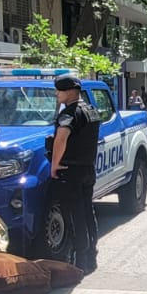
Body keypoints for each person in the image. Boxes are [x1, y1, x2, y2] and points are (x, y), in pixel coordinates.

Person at [50, 75, 101, 273]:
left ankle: (80, 261)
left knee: (74, 216)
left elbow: (61, 138)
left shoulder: (70, 113)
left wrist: (54, 164)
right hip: (88, 169)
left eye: (59, 91)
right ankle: (91, 257)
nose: (57, 94)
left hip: (70, 171)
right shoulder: (91, 110)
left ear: (70, 92)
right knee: (88, 213)